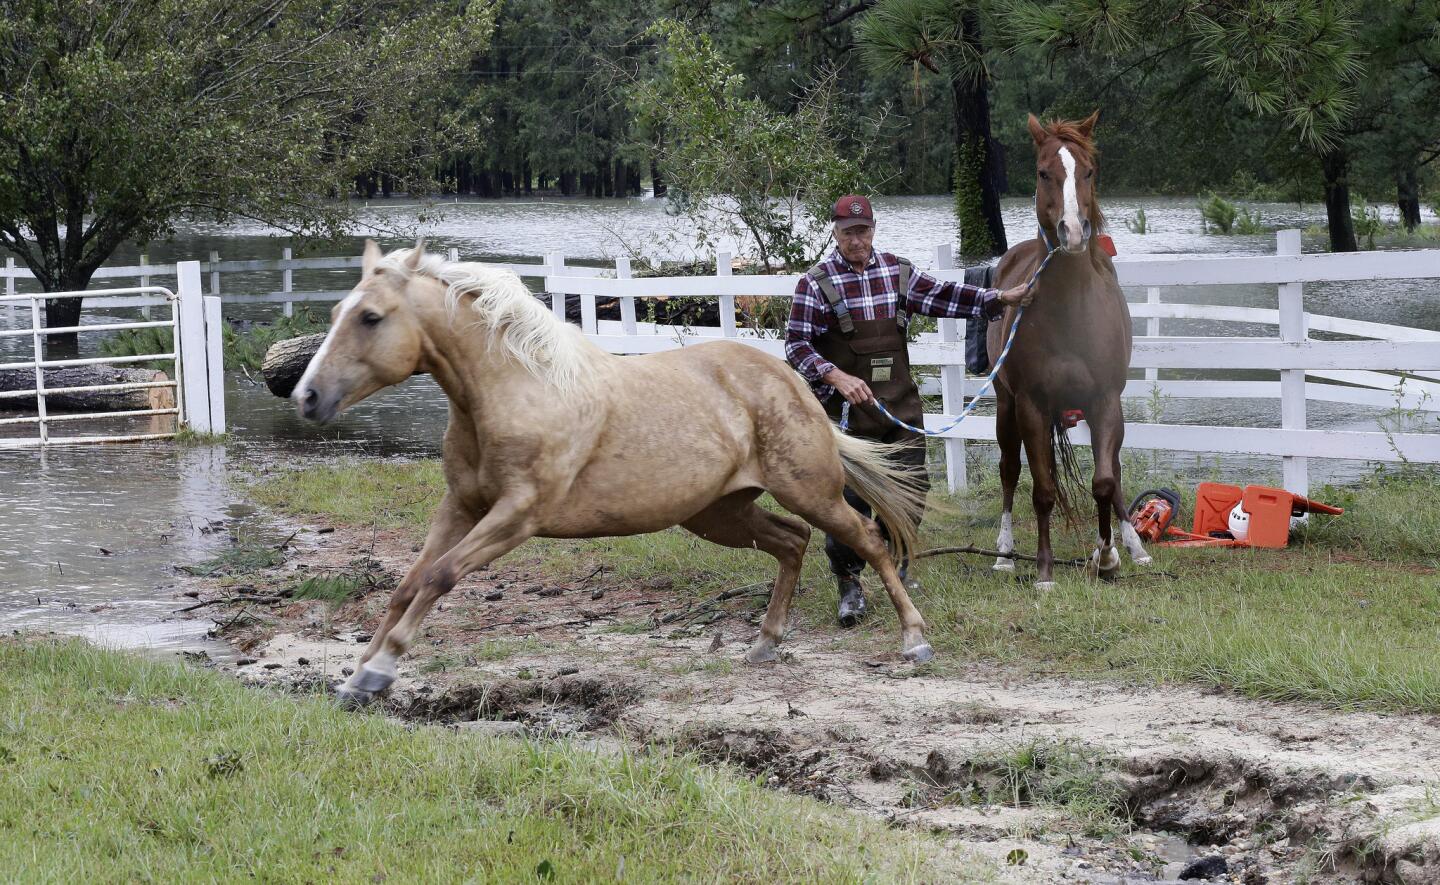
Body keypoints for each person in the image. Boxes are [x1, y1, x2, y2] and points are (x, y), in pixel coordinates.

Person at [786, 195, 1033, 626]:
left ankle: (898, 565)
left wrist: (1000, 298)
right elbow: (796, 345)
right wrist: (835, 376)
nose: (857, 240)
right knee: (850, 502)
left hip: (900, 406)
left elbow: (945, 297)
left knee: (912, 488)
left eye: (863, 231)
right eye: (848, 232)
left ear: (874, 229)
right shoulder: (816, 283)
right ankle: (850, 583)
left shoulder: (896, 272)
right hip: (847, 417)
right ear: (835, 233)